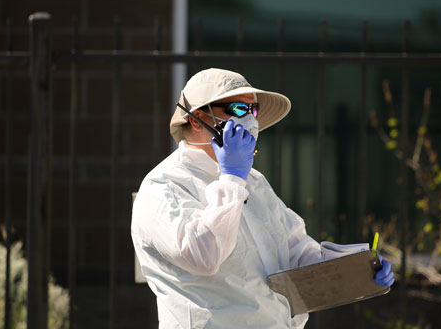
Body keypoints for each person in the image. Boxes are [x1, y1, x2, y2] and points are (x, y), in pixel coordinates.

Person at [131, 68, 394, 328]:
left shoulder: (254, 182)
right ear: (198, 119)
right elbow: (203, 257)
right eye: (237, 110)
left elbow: (295, 255)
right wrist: (232, 178)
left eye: (253, 111)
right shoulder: (162, 186)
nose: (250, 120)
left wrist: (357, 268)